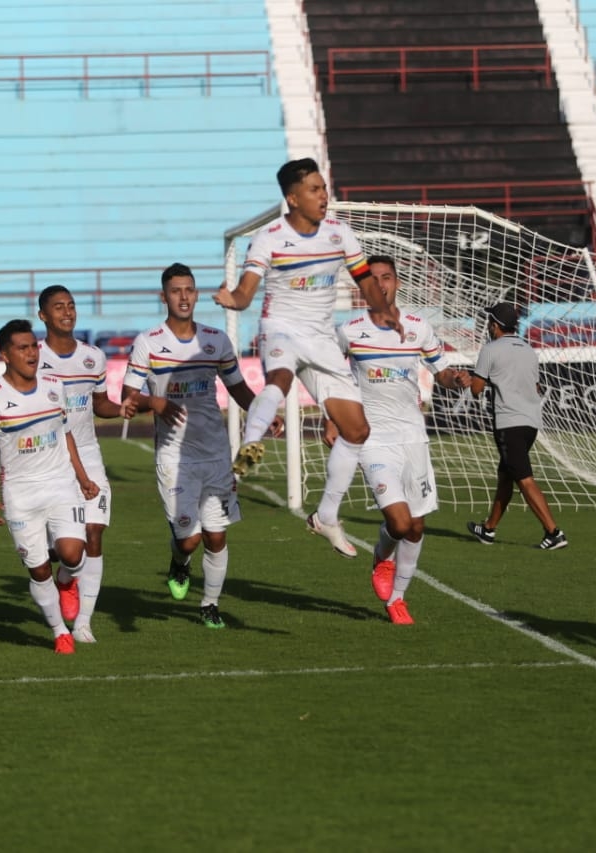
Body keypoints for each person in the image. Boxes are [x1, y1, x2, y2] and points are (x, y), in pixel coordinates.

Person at [213, 157, 403, 559]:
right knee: (279, 380)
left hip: (321, 339)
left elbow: (364, 279)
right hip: (280, 328)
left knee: (356, 431)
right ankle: (250, 445)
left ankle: (326, 516)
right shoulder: (269, 238)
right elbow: (247, 291)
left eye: (323, 188)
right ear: (292, 198)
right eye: (314, 189)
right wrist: (234, 298)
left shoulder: (340, 233)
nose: (324, 195)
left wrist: (383, 309)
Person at [123, 263, 280, 629]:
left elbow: (237, 387)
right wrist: (155, 403)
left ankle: (209, 604)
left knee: (216, 535)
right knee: (189, 540)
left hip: (215, 454)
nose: (183, 297)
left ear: (195, 294)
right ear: (164, 297)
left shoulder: (215, 340)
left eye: (189, 290)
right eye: (175, 290)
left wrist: (262, 411)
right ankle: (179, 562)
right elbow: (128, 396)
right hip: (175, 457)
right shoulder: (149, 342)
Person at [334, 255, 470, 625]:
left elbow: (440, 371)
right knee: (398, 522)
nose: (380, 284)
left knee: (417, 526)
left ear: (397, 283)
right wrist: (334, 418)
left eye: (387, 277)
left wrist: (453, 378)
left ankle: (397, 599)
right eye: (372, 279)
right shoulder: (349, 332)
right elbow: (330, 378)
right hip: (373, 440)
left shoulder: (418, 327)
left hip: (414, 438)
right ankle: (382, 556)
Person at [0, 319, 102, 654]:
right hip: (20, 493)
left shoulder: (53, 386)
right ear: (5, 354)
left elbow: (66, 434)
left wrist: (83, 476)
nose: (31, 353)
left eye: (33, 346)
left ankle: (67, 581)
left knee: (73, 554)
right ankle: (60, 631)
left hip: (60, 483)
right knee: (38, 567)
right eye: (22, 348)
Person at [36, 285, 135, 642]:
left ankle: (83, 625)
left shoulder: (93, 356)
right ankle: (65, 578)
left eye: (71, 306)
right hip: (47, 461)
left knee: (94, 533)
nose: (67, 312)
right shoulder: (33, 358)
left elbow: (100, 404)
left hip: (88, 453)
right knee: (67, 549)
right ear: (43, 316)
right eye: (58, 307)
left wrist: (120, 408)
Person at [465, 302, 568, 551]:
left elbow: (476, 390)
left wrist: (470, 379)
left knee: (524, 479)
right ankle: (488, 529)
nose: (488, 326)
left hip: (508, 422)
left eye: (490, 322)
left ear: (496, 325)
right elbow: (535, 387)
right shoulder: (528, 349)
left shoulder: (491, 349)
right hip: (530, 423)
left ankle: (553, 532)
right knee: (506, 476)